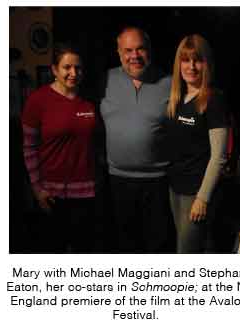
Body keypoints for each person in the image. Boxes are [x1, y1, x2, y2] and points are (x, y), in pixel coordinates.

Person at [100, 26, 175, 253]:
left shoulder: (171, 83)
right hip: (116, 181)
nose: (134, 56)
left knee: (158, 246)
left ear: (150, 49)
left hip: (159, 183)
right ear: (118, 52)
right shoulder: (104, 80)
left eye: (140, 49)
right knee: (124, 247)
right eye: (128, 50)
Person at [22, 42, 97, 253]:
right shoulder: (37, 100)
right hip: (51, 194)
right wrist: (37, 189)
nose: (74, 73)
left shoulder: (91, 100)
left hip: (87, 193)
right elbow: (29, 148)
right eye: (67, 67)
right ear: (54, 70)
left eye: (78, 67)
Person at [166, 34, 230, 253]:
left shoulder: (214, 100)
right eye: (185, 60)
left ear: (207, 63)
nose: (191, 66)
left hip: (197, 192)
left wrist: (202, 198)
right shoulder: (177, 97)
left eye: (197, 60)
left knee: (187, 255)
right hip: (175, 189)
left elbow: (219, 157)